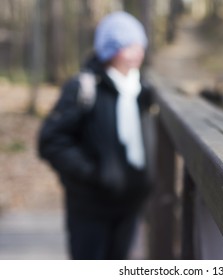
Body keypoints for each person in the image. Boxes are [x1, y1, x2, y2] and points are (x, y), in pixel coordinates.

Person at [38, 11, 153, 260]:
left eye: (139, 44)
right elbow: (51, 141)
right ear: (110, 49)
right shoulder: (84, 87)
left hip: (130, 203)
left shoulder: (141, 90)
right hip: (90, 205)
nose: (138, 51)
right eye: (128, 45)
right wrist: (91, 173)